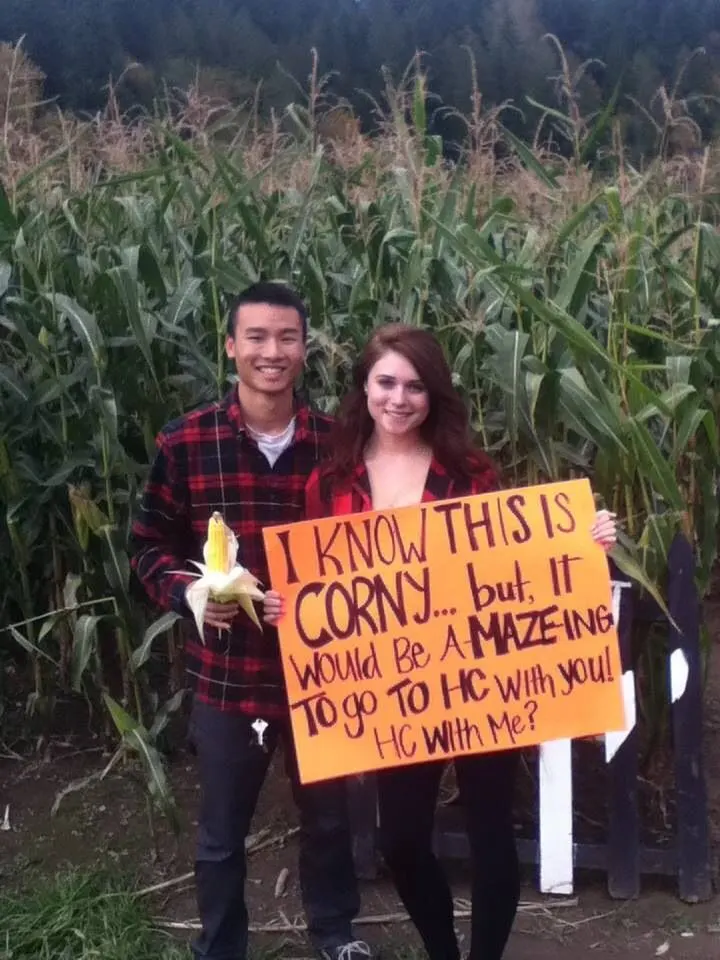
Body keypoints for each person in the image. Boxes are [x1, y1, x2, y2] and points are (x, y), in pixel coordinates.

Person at [264, 323, 617, 960]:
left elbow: (517, 562)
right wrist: (288, 603)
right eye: (386, 383)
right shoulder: (332, 483)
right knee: (401, 840)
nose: (399, 399)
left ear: (435, 395)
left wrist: (582, 542)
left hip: (481, 679)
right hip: (398, 689)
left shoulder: (469, 472)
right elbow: (318, 586)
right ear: (363, 388)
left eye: (415, 386)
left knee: (489, 835)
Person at [130, 282, 371, 960]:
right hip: (229, 674)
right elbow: (149, 546)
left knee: (329, 817)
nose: (273, 352)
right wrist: (196, 593)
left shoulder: (340, 441)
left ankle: (334, 933)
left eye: (287, 338)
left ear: (305, 348)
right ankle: (222, 946)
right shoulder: (186, 441)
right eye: (257, 338)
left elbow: (390, 540)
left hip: (322, 666)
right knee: (221, 830)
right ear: (232, 346)